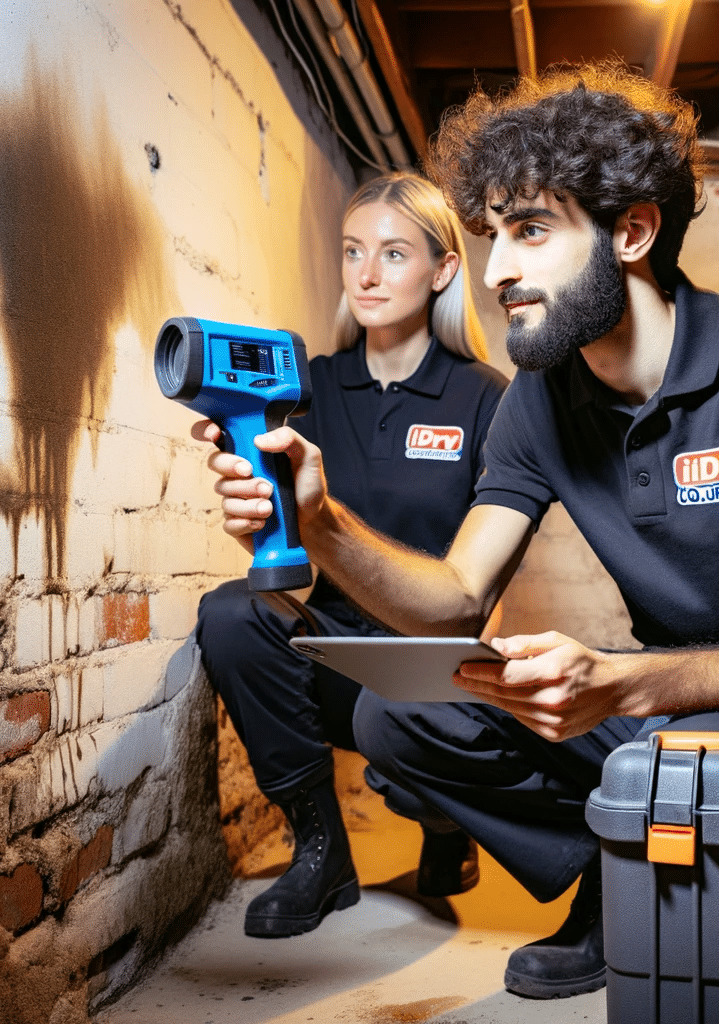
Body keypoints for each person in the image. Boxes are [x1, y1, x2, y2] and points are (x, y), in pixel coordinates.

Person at [196, 63, 719, 997]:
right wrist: (318, 521)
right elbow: (455, 598)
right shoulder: (541, 398)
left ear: (633, 231)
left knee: (660, 751)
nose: (497, 272)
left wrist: (630, 684)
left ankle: (637, 867)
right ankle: (610, 876)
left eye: (531, 230)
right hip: (659, 707)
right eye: (492, 236)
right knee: (400, 717)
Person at [193, 171, 508, 939]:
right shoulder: (304, 390)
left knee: (411, 728)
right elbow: (283, 535)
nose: (366, 274)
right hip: (333, 652)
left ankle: (441, 820)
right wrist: (248, 497)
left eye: (394, 253)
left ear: (441, 270)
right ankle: (321, 848)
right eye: (352, 251)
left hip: (430, 663)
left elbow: (485, 579)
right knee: (231, 613)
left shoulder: (485, 396)